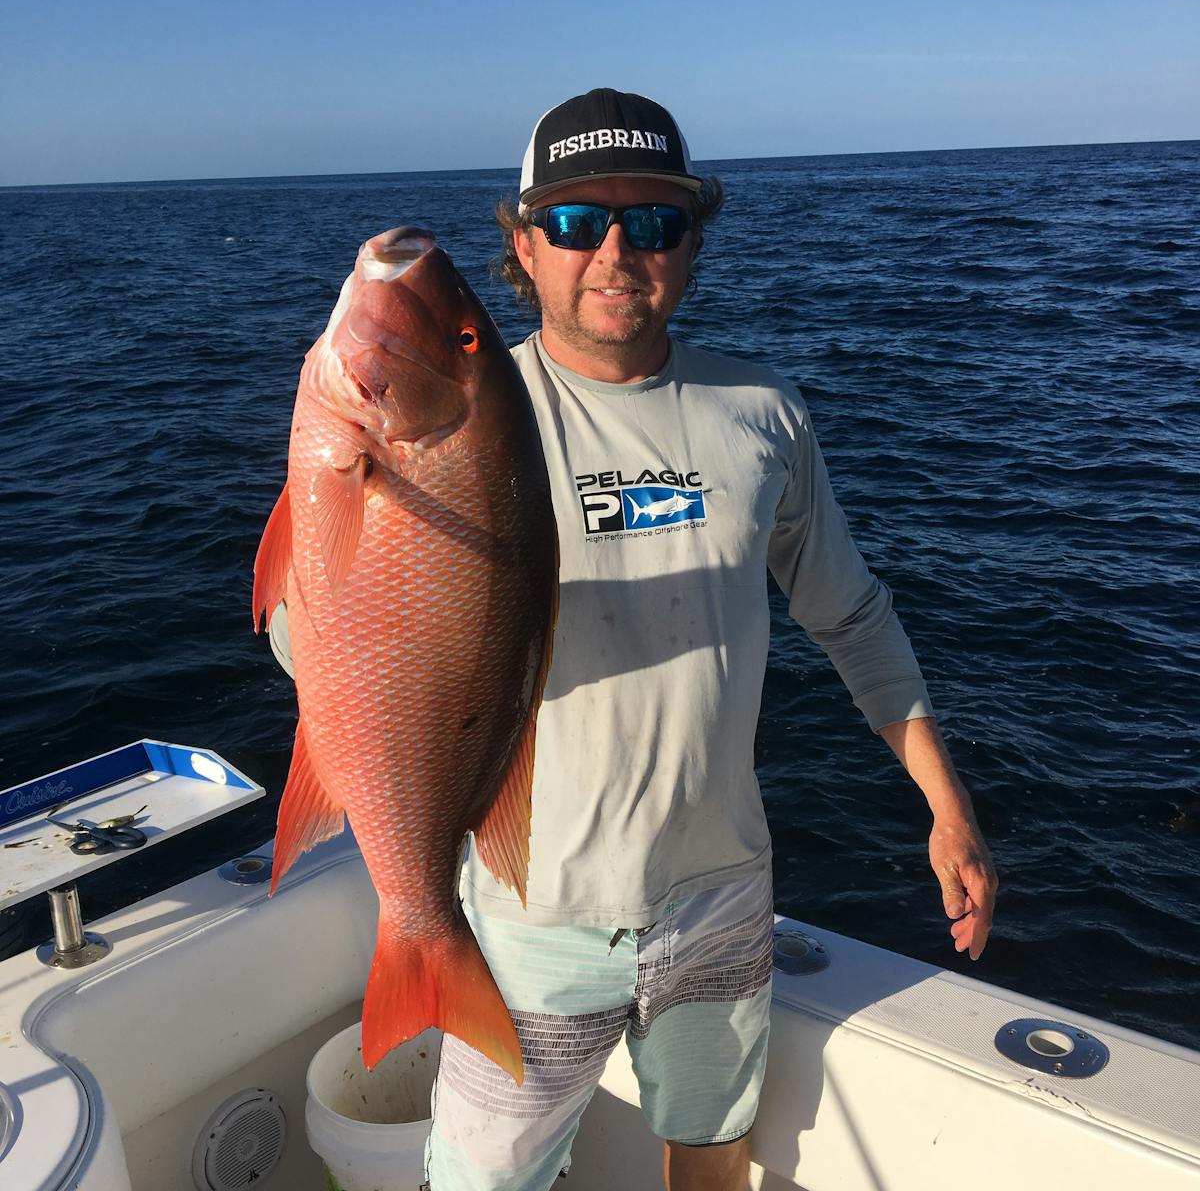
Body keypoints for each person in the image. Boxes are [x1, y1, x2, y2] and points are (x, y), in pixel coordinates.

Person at [269, 87, 998, 1191]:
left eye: (652, 221)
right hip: (531, 920)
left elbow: (851, 614)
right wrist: (324, 518)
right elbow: (314, 641)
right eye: (574, 222)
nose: (615, 250)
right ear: (522, 244)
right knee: (483, 1178)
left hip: (722, 896)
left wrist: (948, 807)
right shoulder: (476, 409)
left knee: (710, 1149)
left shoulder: (762, 411)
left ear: (695, 238)